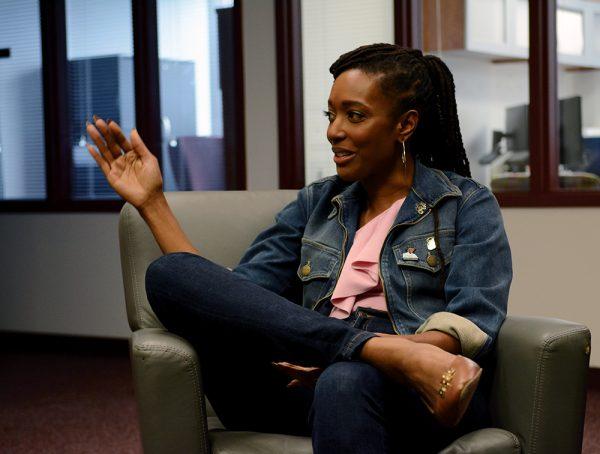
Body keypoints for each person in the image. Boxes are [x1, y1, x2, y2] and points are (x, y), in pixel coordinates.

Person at [86, 44, 512, 453]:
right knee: (169, 274)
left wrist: (356, 361)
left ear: (405, 124)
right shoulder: (318, 203)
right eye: (331, 114)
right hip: (298, 382)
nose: (334, 131)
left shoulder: (465, 205)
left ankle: (369, 354)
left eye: (354, 115)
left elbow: (470, 327)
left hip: (418, 392)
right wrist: (153, 203)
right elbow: (236, 299)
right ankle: (367, 348)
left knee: (346, 379)